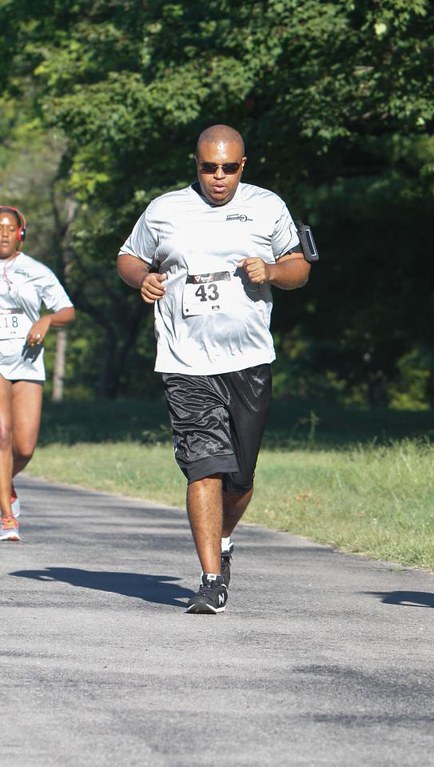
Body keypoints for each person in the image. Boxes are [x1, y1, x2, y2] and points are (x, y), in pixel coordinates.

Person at [117, 125, 311, 614]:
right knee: (204, 467)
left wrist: (273, 271)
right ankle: (209, 580)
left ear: (243, 165)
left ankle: (223, 539)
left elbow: (300, 268)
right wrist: (145, 277)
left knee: (240, 478)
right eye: (209, 167)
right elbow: (128, 256)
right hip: (185, 360)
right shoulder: (164, 210)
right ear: (196, 164)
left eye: (228, 168)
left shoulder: (268, 207)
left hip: (248, 360)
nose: (218, 177)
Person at [0, 205, 76, 541]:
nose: (3, 233)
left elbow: (67, 311)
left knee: (25, 446)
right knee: (1, 434)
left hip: (28, 362)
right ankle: (6, 517)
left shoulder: (36, 271)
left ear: (21, 234)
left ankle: (5, 486)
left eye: (9, 228)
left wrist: (46, 320)